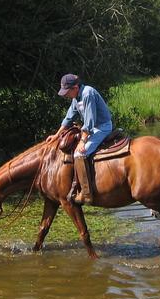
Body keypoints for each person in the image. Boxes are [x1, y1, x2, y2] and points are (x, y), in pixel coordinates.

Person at [46, 74, 113, 205]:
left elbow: (89, 121)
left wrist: (83, 141)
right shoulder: (76, 97)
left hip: (102, 127)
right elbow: (69, 118)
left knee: (79, 153)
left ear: (75, 87)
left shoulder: (88, 94)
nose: (66, 95)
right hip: (92, 128)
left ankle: (86, 193)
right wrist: (56, 135)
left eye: (67, 91)